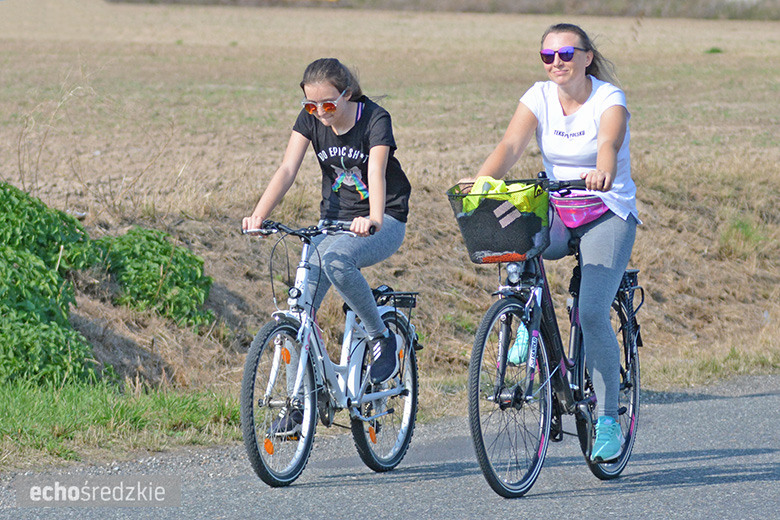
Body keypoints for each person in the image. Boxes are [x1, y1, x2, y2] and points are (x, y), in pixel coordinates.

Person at [473, 23, 639, 462]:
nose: (557, 63)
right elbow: (510, 145)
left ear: (586, 57)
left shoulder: (608, 99)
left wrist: (603, 168)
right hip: (560, 209)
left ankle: (606, 420)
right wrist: (483, 183)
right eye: (548, 56)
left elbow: (609, 140)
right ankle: (525, 319)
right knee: (515, 234)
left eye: (566, 54)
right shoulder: (539, 96)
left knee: (590, 311)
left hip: (606, 212)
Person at [243, 58, 411, 432]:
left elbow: (376, 173)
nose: (320, 114)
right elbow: (287, 169)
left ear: (347, 94)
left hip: (383, 220)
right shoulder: (310, 121)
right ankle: (298, 404)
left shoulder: (374, 119)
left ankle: (378, 336)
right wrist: (257, 215)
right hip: (331, 223)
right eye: (311, 106)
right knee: (299, 307)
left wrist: (375, 218)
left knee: (337, 262)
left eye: (329, 105)